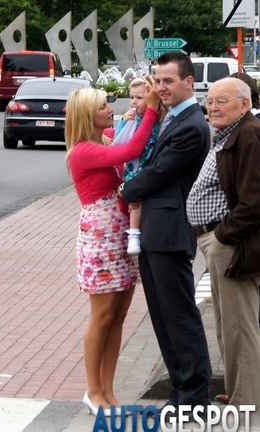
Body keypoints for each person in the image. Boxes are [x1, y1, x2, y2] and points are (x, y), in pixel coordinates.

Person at [120, 52, 212, 411]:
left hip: (171, 233)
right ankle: (180, 388)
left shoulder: (191, 123)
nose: (161, 87)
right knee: (162, 317)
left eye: (168, 81)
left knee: (179, 316)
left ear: (189, 82)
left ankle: (194, 394)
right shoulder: (171, 117)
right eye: (158, 81)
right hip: (156, 231)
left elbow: (159, 171)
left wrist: (125, 191)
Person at [65, 81, 160, 416]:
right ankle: (92, 390)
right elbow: (130, 151)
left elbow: (126, 144)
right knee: (102, 316)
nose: (111, 108)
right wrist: (149, 110)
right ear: (88, 115)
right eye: (104, 105)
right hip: (101, 237)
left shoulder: (102, 139)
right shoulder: (83, 151)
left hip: (120, 233)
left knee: (118, 317)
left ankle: (108, 390)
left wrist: (133, 118)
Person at [186, 77, 260, 427]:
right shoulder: (231, 133)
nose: (212, 107)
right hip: (218, 242)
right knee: (226, 326)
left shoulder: (249, 134)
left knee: (239, 329)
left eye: (222, 101)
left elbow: (254, 201)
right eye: (210, 101)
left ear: (243, 105)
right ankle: (238, 392)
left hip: (230, 244)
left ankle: (247, 406)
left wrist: (222, 236)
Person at [114, 78, 168, 254]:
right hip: (135, 168)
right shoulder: (132, 118)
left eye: (139, 97)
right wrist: (123, 122)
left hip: (150, 165)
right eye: (132, 97)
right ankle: (133, 234)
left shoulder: (159, 120)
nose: (133, 102)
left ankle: (136, 232)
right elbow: (120, 141)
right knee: (135, 201)